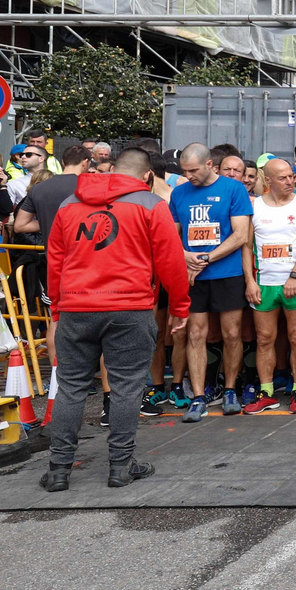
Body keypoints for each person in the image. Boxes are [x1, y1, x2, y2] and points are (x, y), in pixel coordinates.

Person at [41, 148, 190, 492]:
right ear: (148, 176)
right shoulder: (151, 205)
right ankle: (120, 466)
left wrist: (57, 309)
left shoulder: (69, 204)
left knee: (71, 386)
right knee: (126, 386)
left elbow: (55, 261)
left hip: (77, 306)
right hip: (130, 307)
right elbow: (170, 263)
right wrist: (180, 308)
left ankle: (59, 469)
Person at [169, 144, 253, 420]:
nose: (189, 175)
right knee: (195, 335)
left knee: (231, 334)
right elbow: (171, 236)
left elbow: (241, 235)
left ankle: (230, 389)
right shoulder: (179, 193)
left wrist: (205, 258)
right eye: (184, 170)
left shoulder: (233, 189)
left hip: (226, 273)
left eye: (193, 170)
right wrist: (185, 257)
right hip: (193, 276)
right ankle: (198, 396)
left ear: (209, 165)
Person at [241, 157, 296, 413]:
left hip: (292, 282)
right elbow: (247, 246)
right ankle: (266, 391)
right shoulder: (254, 206)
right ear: (267, 180)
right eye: (283, 178)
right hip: (264, 283)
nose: (290, 181)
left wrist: (295, 276)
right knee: (264, 339)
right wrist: (250, 281)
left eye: (292, 176)